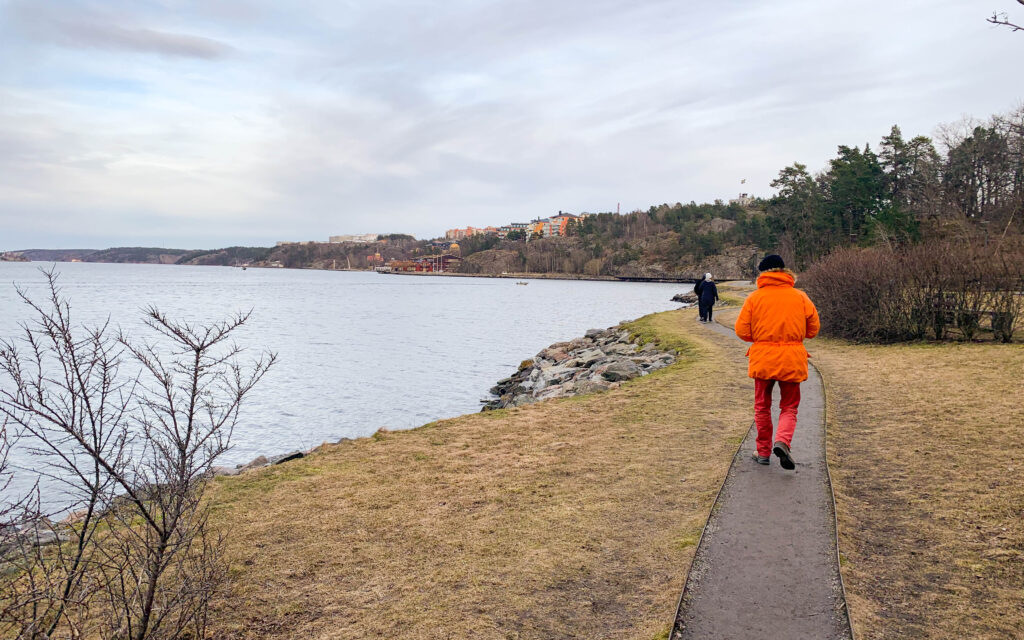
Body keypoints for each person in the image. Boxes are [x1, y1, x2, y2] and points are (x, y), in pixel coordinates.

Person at [734, 255, 820, 469]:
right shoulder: (800, 297)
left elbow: (742, 331)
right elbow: (813, 330)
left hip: (763, 358)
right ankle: (782, 441)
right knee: (789, 406)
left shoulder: (754, 298)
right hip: (792, 358)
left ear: (762, 273)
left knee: (762, 406)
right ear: (785, 271)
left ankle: (763, 452)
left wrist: (763, 338)